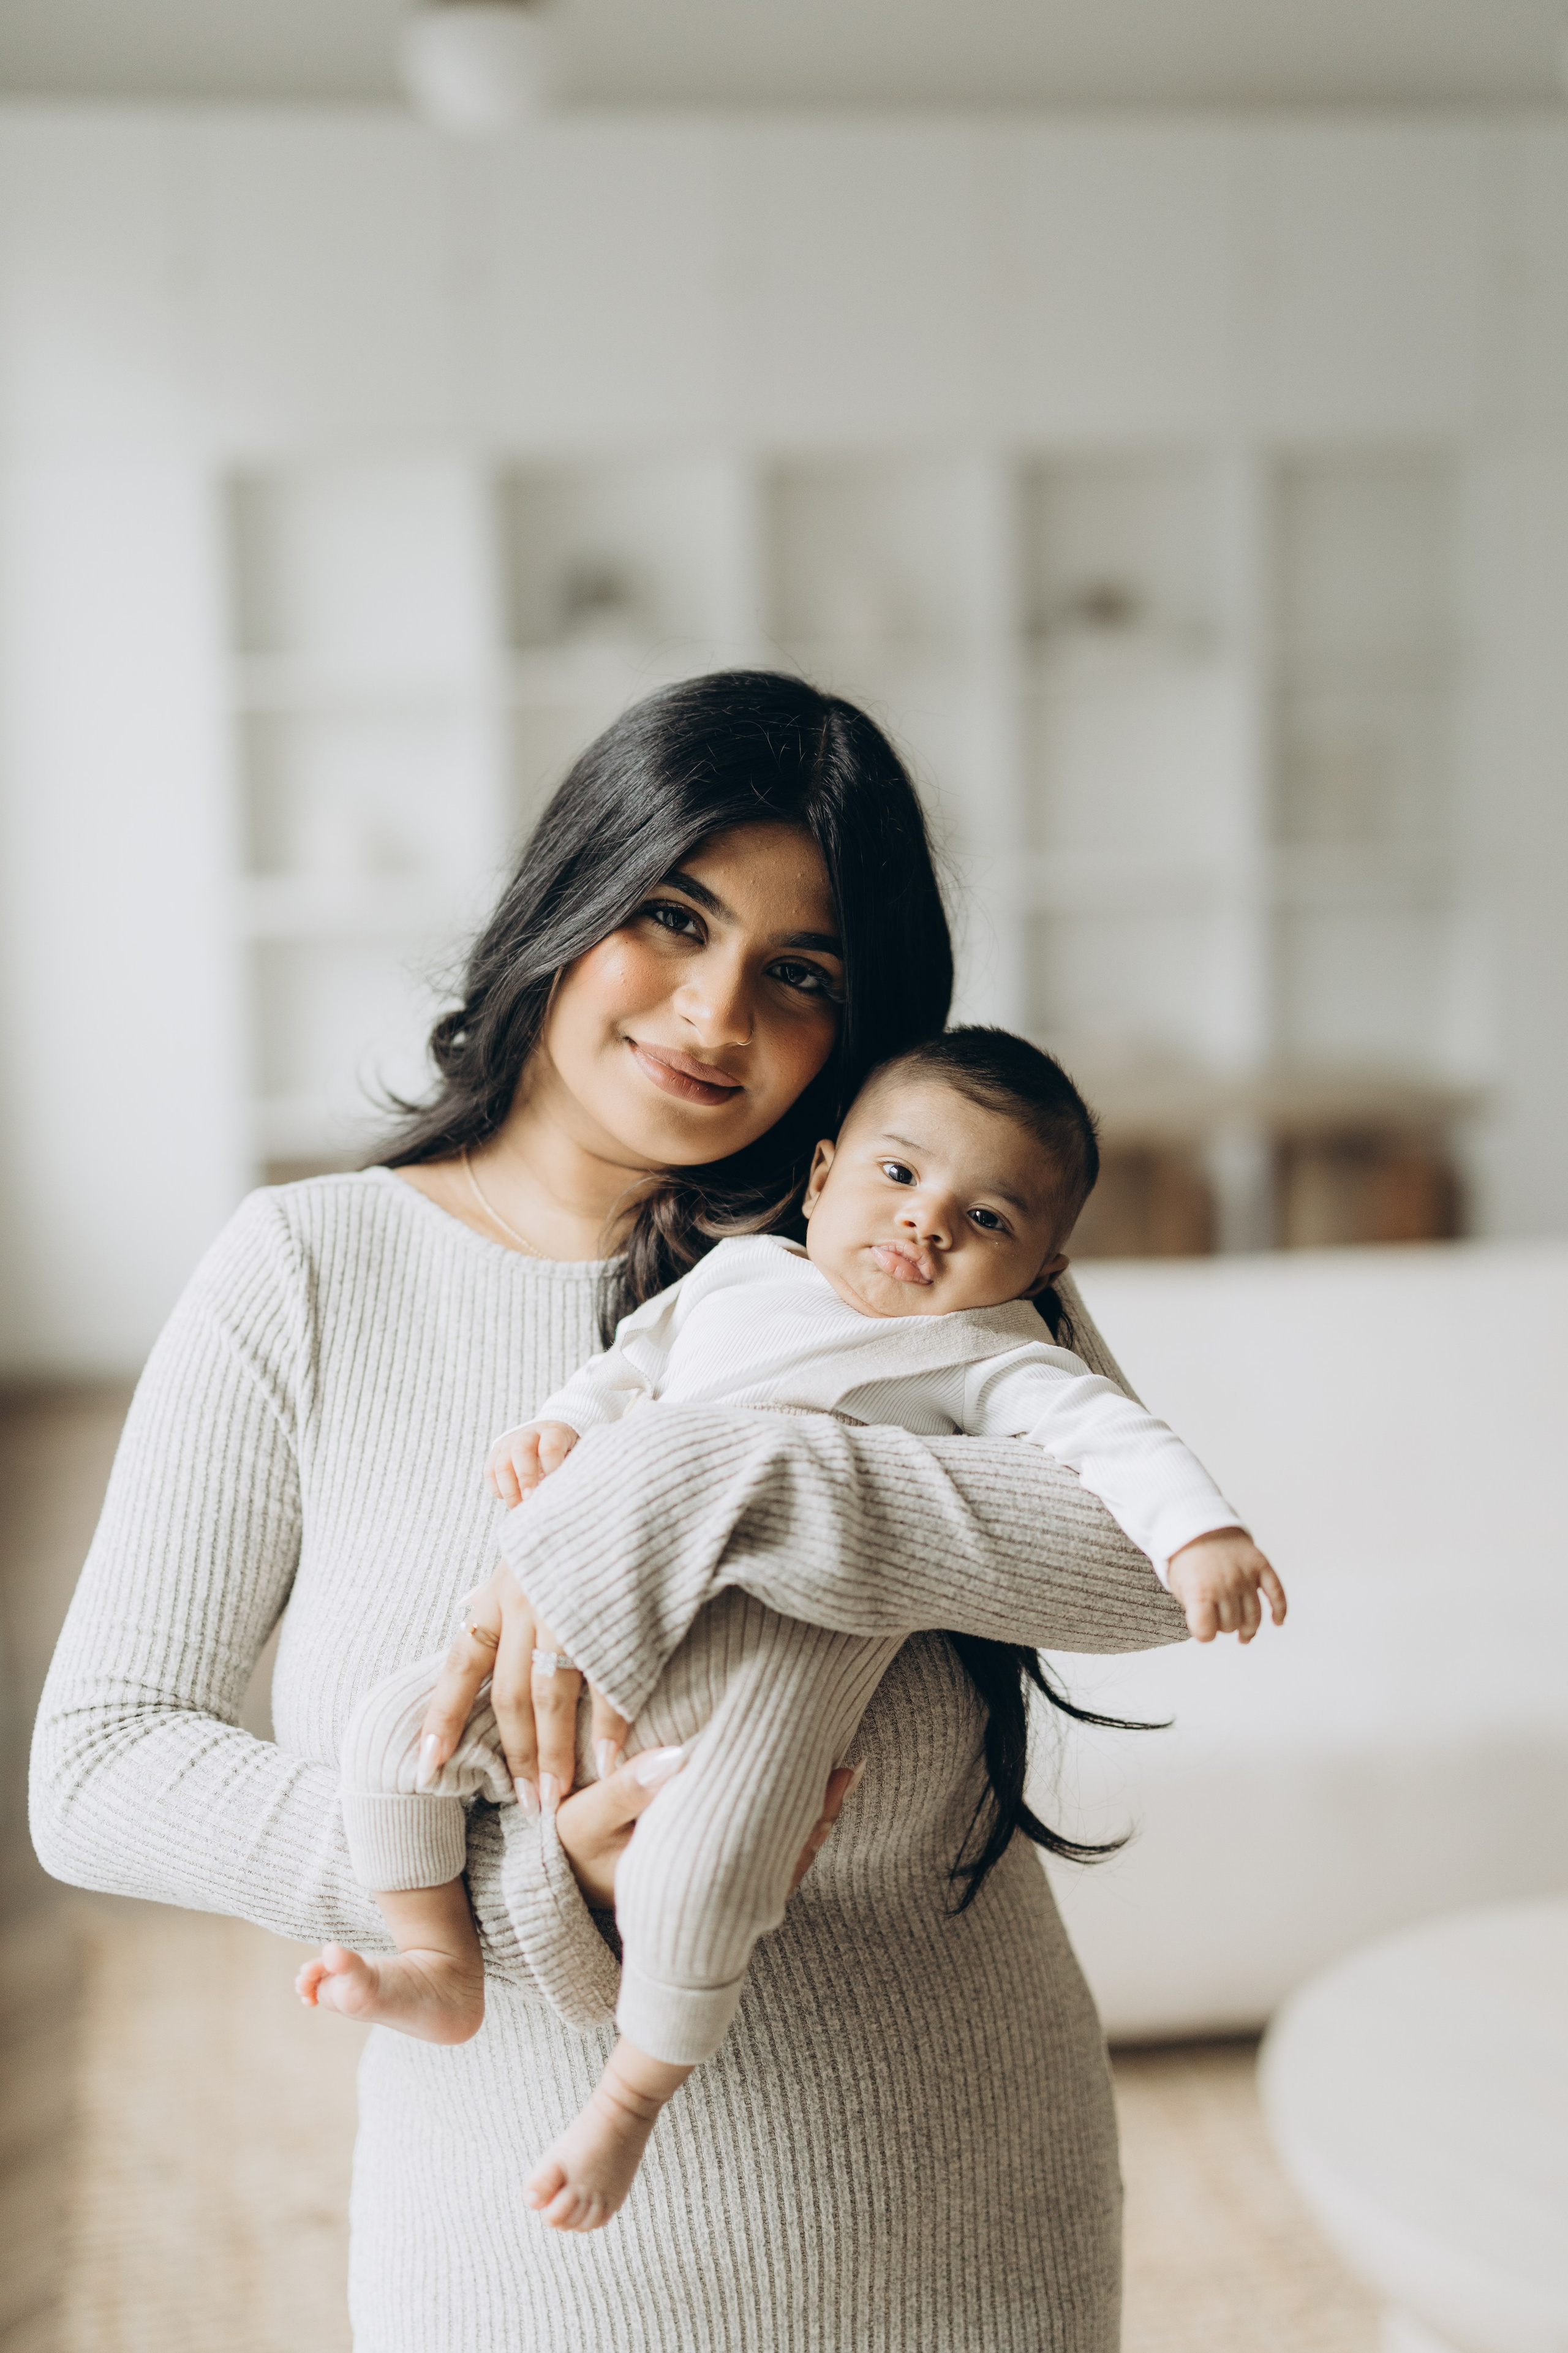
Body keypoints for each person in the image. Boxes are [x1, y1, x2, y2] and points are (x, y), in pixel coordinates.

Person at [32, 671, 1193, 2353]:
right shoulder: (311, 1271)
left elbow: (1140, 1569)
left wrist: (703, 1474)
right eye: (672, 918)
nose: (716, 1017)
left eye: (800, 974)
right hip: (523, 2258)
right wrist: (504, 1879)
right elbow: (100, 1768)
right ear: (567, 897)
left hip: (963, 2212)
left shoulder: (900, 1254)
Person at [307, 1027, 1285, 2232]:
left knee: (707, 1866)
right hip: (600, 1617)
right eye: (898, 1176)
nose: (927, 1224)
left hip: (784, 1655)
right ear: (819, 1175)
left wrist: (1200, 1535)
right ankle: (439, 1962)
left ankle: (627, 2100)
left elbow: (1112, 1446)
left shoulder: (987, 1351)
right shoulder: (735, 1274)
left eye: (985, 1218)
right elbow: (630, 1367)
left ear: (1045, 1262)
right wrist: (559, 1431)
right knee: (396, 1731)